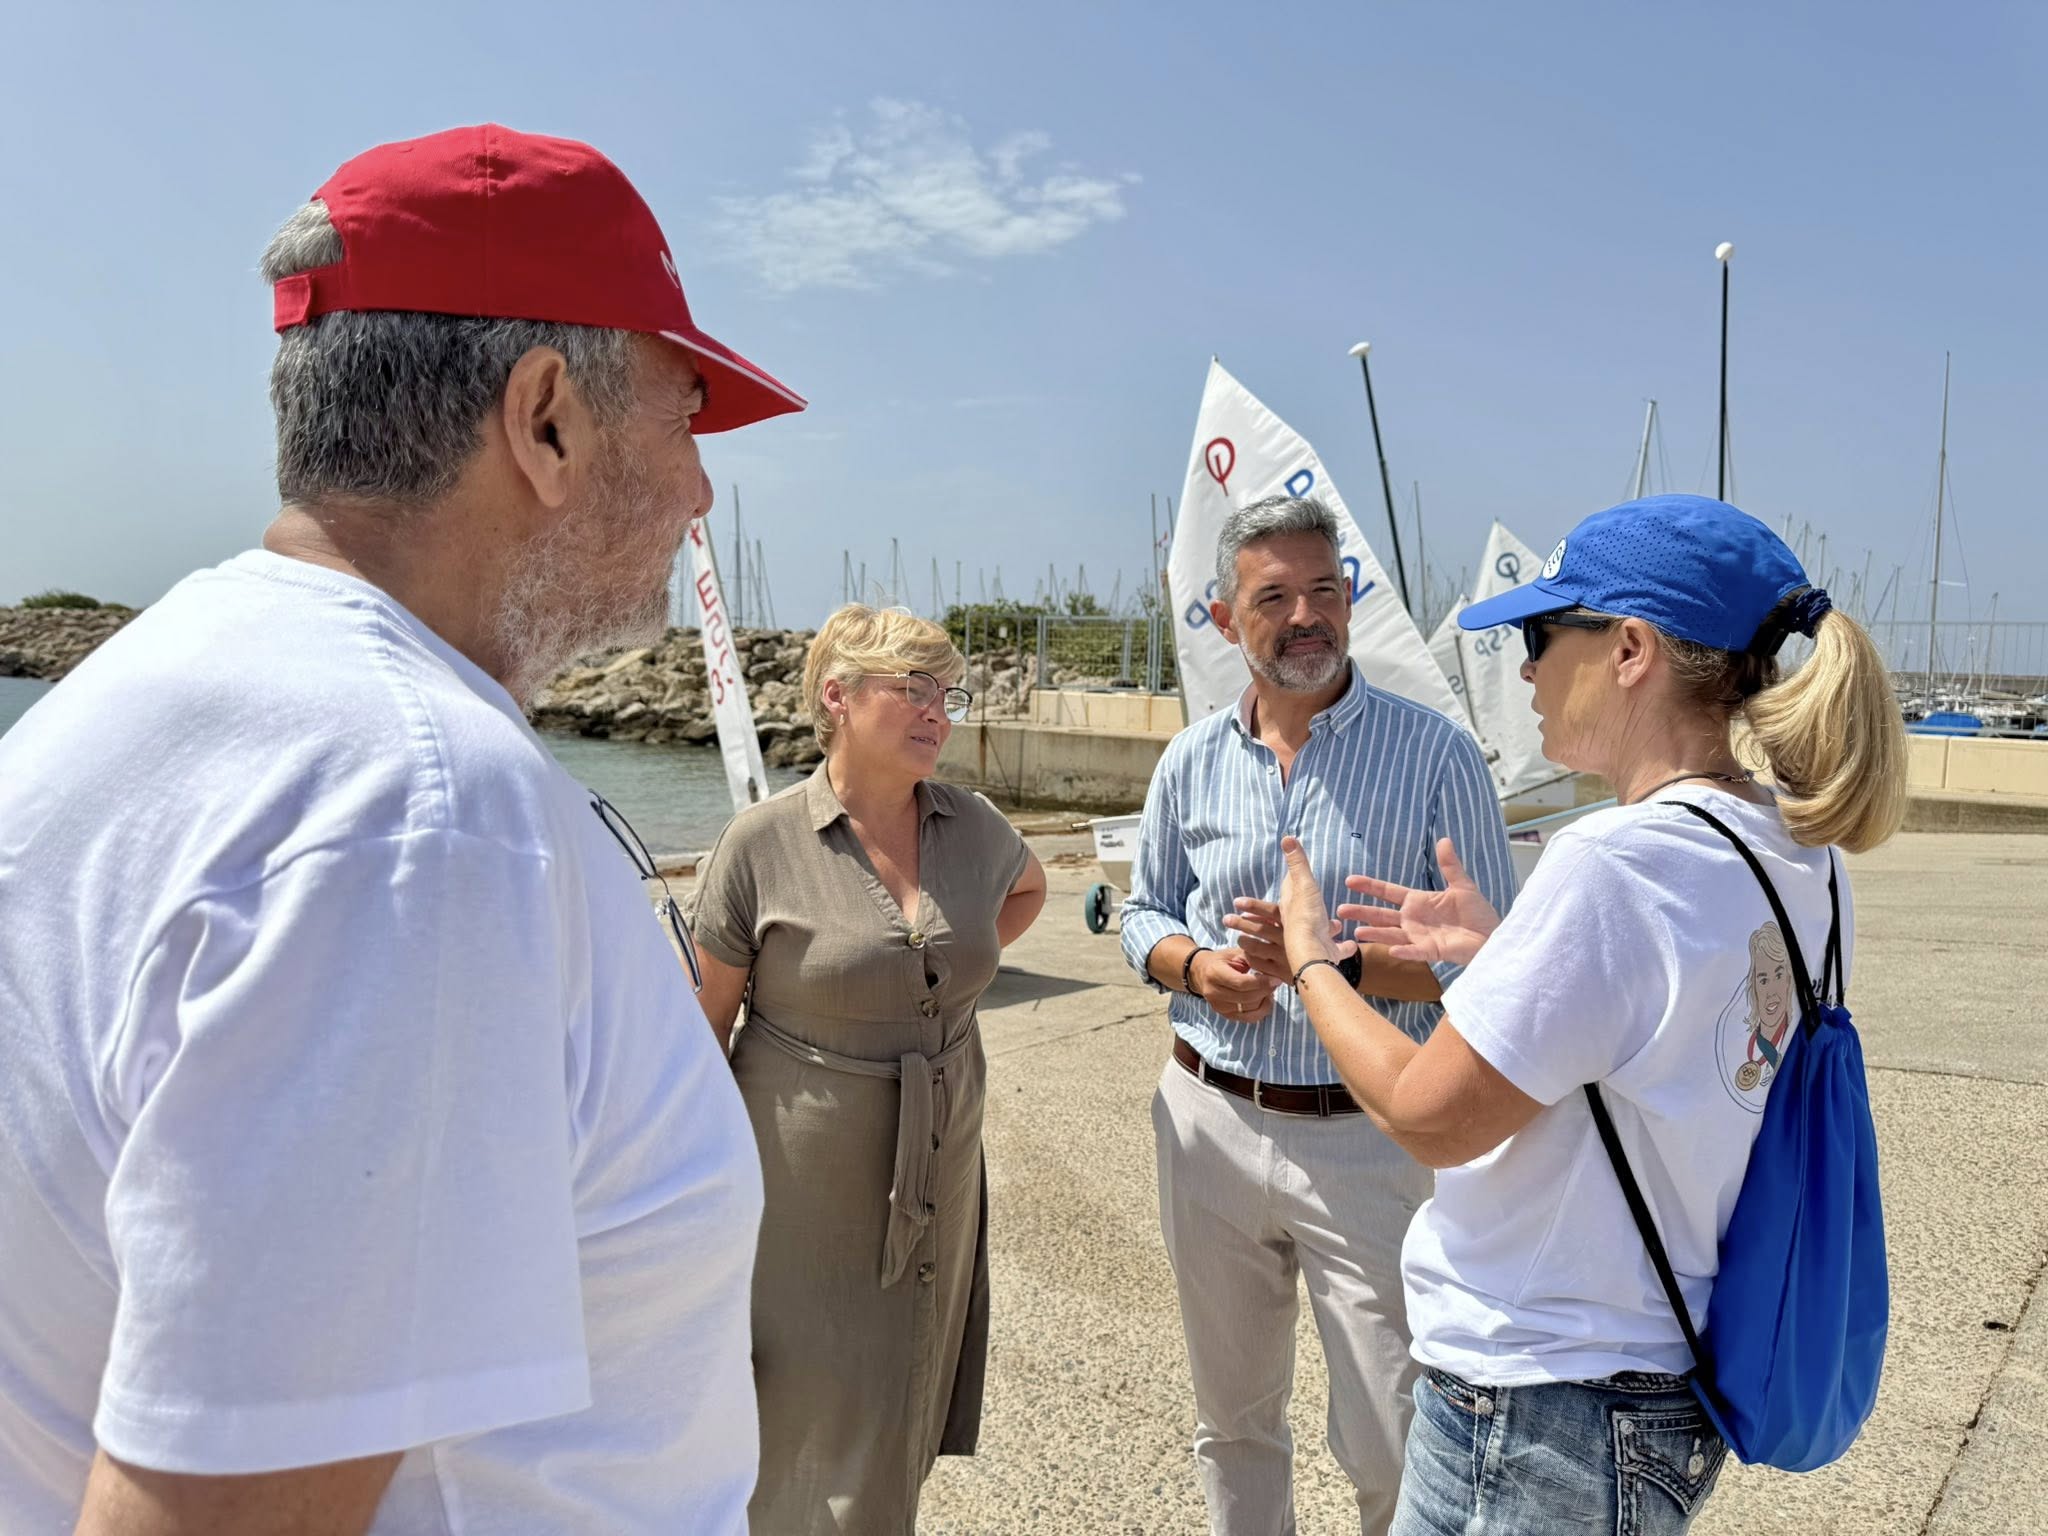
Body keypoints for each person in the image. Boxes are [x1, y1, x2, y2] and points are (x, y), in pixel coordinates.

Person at [0, 124, 806, 1535]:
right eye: (683, 420)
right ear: (545, 417)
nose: (699, 495)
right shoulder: (417, 815)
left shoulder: (132, 702)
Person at [1272, 494, 1908, 1535]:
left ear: (1628, 650)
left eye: (1538, 634)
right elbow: (1664, 1041)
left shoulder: (1612, 865)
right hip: (1658, 1386)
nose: (1521, 668)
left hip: (1535, 1412)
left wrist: (1311, 965)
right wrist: (1501, 955)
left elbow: (1430, 1115)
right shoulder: (1800, 856)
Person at [1120, 495, 1517, 1535]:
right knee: (1232, 1423)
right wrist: (1198, 966)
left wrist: (1331, 965)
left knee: (1394, 1437)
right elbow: (1139, 913)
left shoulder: (1434, 756)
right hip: (1205, 1122)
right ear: (1219, 619)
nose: (1307, 615)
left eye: (1324, 590)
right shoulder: (1187, 763)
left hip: (1369, 1138)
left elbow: (1500, 964)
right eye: (1275, 597)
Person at [689, 604, 1048, 1534]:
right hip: (800, 1186)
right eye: (913, 689)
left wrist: (936, 984)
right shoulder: (760, 845)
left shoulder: (972, 825)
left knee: (907, 1386)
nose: (939, 711)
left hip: (939, 1155)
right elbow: (700, 1036)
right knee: (802, 1406)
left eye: (947, 693)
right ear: (837, 698)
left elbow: (1027, 888)